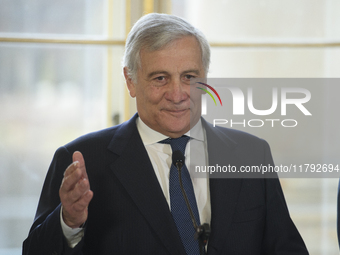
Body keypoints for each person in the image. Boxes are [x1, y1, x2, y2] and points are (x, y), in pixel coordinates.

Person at [23, 13, 308, 254]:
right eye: (160, 78)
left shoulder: (251, 154)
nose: (177, 94)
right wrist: (69, 222)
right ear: (130, 81)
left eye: (189, 77)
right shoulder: (83, 161)